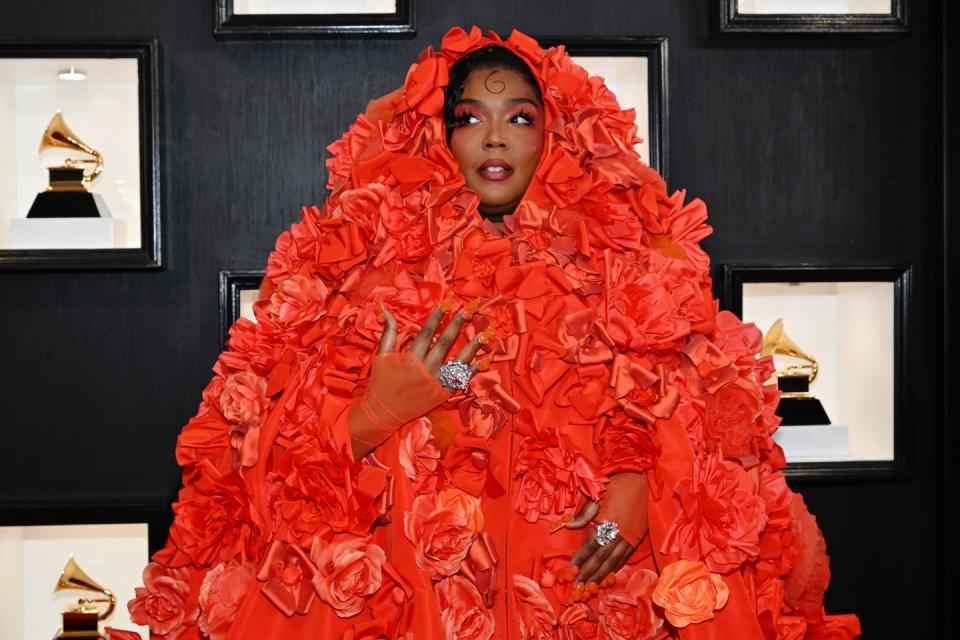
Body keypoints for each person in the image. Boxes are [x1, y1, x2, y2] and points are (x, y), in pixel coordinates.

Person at [127, 27, 861, 640]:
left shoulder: (623, 267)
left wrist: (638, 488)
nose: (493, 137)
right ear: (437, 134)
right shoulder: (367, 268)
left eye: (518, 116)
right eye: (470, 117)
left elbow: (695, 419)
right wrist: (374, 412)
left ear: (555, 132)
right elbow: (264, 469)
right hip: (422, 600)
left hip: (582, 592)